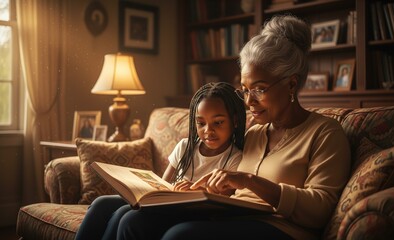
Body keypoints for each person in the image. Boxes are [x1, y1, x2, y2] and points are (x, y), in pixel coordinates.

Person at [114, 15, 351, 240]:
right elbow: (228, 179)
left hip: (283, 229)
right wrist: (211, 189)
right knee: (133, 220)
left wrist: (249, 180)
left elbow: (320, 209)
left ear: (291, 83)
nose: (248, 102)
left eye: (259, 89)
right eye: (246, 90)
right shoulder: (255, 133)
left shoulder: (325, 133)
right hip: (232, 218)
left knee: (178, 236)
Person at [75, 81, 247, 240]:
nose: (208, 131)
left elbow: (225, 201)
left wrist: (194, 191)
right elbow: (162, 184)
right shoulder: (185, 146)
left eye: (218, 123)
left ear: (235, 121)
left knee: (128, 216)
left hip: (194, 214)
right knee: (101, 203)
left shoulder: (235, 158)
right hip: (166, 204)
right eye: (201, 123)